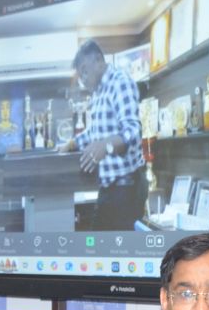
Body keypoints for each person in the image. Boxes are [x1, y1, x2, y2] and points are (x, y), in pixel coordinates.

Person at [59, 40, 146, 230]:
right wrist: (72, 143)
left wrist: (106, 146)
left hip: (127, 189)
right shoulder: (98, 93)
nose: (82, 79)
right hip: (109, 189)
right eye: (80, 74)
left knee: (111, 247)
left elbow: (133, 130)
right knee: (95, 244)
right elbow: (95, 132)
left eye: (84, 71)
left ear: (98, 60)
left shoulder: (120, 82)